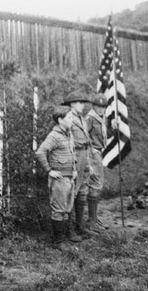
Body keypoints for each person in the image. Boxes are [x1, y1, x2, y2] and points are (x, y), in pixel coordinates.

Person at [35, 105, 77, 249]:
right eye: (69, 118)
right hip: (59, 179)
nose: (72, 120)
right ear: (60, 120)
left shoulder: (68, 133)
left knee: (66, 208)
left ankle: (64, 238)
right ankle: (59, 241)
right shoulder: (54, 136)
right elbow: (40, 152)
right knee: (59, 209)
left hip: (69, 177)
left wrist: (75, 170)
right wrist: (49, 170)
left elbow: (72, 153)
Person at [61, 92, 94, 240]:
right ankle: (69, 229)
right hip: (74, 157)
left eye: (82, 102)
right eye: (79, 102)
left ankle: (79, 226)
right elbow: (66, 140)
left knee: (83, 191)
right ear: (72, 104)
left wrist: (88, 163)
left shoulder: (81, 118)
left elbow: (87, 139)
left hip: (84, 156)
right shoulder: (67, 119)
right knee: (72, 192)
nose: (82, 105)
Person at [85, 94, 109, 233]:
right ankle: (91, 220)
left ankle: (94, 218)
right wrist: (90, 154)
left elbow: (101, 136)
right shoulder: (90, 118)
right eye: (99, 106)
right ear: (93, 106)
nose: (101, 109)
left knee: (98, 184)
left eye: (103, 107)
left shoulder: (100, 118)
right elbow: (84, 136)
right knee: (95, 184)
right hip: (92, 153)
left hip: (98, 152)